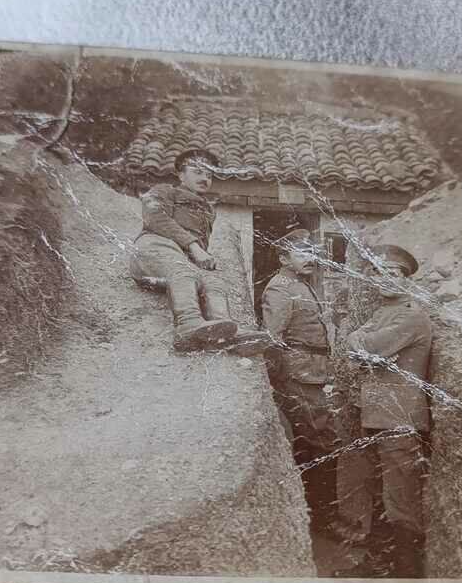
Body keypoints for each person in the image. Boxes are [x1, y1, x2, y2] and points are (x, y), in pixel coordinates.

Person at [342, 243, 433, 578]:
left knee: (401, 499)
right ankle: (382, 565)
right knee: (385, 495)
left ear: (406, 280)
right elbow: (356, 345)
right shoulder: (382, 314)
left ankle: (405, 575)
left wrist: (364, 345)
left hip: (399, 420)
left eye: (393, 274)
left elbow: (367, 345)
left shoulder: (412, 316)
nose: (384, 279)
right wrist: (363, 346)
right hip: (379, 415)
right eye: (379, 273)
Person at [261, 228, 353, 550]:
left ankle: (314, 516)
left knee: (314, 442)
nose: (311, 258)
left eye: (312, 252)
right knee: (321, 442)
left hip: (310, 372)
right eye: (302, 253)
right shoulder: (281, 288)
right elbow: (272, 338)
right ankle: (323, 522)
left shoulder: (300, 284)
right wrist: (282, 376)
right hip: (298, 375)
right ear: (284, 257)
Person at [127, 149, 268, 353]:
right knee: (183, 272)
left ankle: (226, 329)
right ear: (181, 175)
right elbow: (155, 218)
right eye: (197, 172)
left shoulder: (207, 209)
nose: (204, 178)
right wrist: (193, 246)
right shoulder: (164, 191)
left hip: (182, 260)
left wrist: (200, 256)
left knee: (213, 281)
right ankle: (188, 325)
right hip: (154, 248)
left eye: (209, 175)